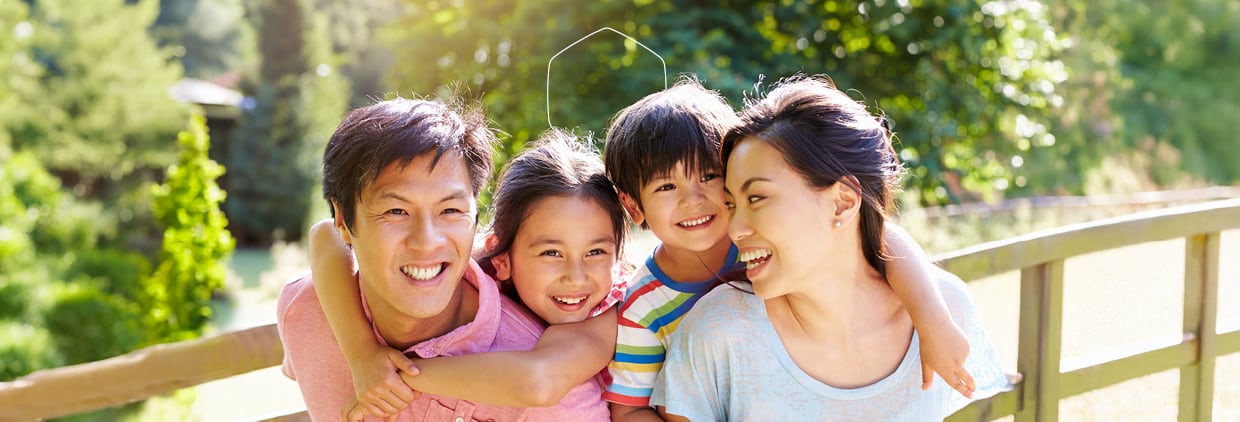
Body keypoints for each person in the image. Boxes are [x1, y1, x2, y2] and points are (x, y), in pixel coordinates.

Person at [602, 77, 977, 421]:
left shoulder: (759, 246)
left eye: (710, 177)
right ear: (634, 207)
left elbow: (882, 236)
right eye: (667, 188)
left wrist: (933, 320)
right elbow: (628, 409)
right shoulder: (646, 305)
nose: (694, 200)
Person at [276, 98, 608, 421]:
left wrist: (398, 376)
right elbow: (324, 236)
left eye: (450, 210)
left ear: (475, 217)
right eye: (396, 211)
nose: (426, 241)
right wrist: (361, 352)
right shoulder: (305, 309)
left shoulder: (555, 399)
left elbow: (540, 383)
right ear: (344, 220)